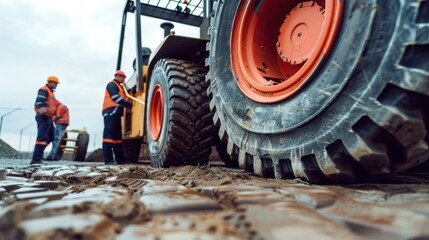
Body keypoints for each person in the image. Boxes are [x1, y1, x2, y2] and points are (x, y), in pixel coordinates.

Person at [102, 70, 132, 165]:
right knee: (108, 136)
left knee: (117, 138)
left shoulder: (120, 87)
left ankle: (120, 160)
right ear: (118, 76)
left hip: (116, 114)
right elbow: (116, 98)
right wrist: (128, 104)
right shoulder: (112, 85)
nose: (124, 80)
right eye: (123, 78)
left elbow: (123, 97)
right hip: (110, 112)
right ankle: (108, 160)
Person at [31, 76, 59, 165]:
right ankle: (36, 159)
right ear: (50, 82)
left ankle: (38, 154)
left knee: (51, 136)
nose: (56, 85)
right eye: (55, 83)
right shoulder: (44, 90)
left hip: (48, 117)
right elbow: (39, 102)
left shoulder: (50, 92)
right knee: (42, 137)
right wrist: (44, 113)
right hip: (43, 117)